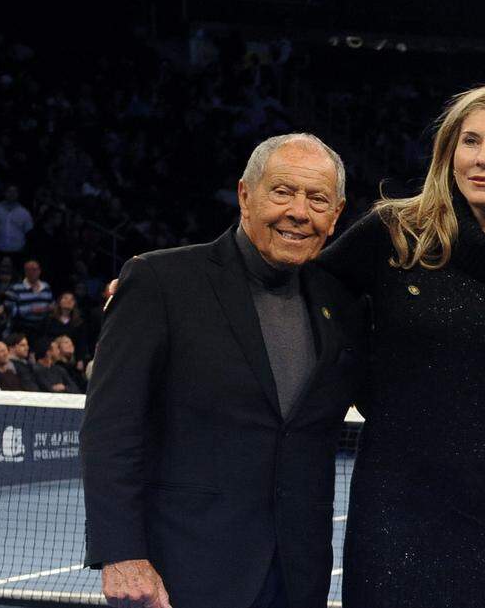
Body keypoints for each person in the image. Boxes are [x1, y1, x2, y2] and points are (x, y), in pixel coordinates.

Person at [317, 84, 485, 608]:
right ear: (448, 152)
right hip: (397, 501)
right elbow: (305, 296)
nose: (481, 158)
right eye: (469, 141)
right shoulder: (395, 232)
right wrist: (170, 289)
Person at [81, 133, 369, 608]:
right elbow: (111, 427)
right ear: (244, 196)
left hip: (298, 575)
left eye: (318, 199)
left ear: (335, 216)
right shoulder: (160, 281)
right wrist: (121, 553)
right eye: (282, 191)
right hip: (182, 572)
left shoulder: (342, 302)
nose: (299, 211)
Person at [4, 259, 54, 335]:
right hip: (23, 328)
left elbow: (52, 303)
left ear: (39, 271)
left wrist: (49, 308)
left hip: (43, 327)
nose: (31, 272)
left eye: (34, 269)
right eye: (28, 270)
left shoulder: (46, 287)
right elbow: (9, 309)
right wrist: (30, 310)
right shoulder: (15, 288)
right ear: (25, 272)